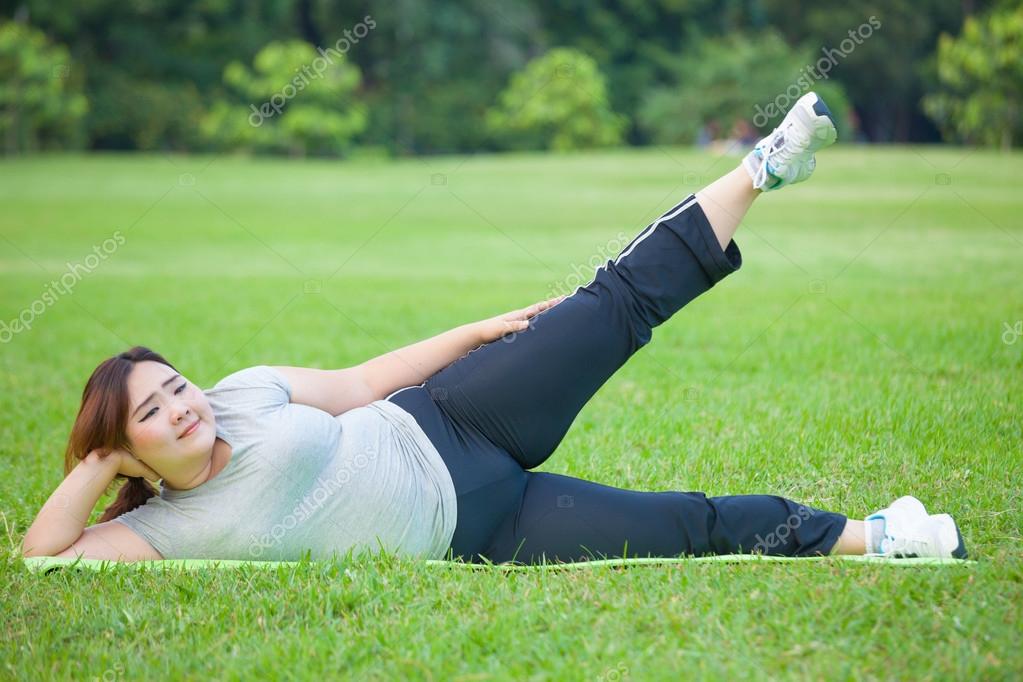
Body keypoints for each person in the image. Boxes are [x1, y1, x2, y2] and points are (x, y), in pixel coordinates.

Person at [21, 92, 967, 565]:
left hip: (448, 419)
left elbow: (358, 383)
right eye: (152, 411)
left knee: (609, 306)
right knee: (682, 524)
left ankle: (765, 164)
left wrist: (469, 332)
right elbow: (41, 560)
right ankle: (881, 537)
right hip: (479, 524)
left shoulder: (243, 395)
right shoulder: (164, 533)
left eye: (173, 384)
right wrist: (104, 465)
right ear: (126, 452)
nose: (184, 406)